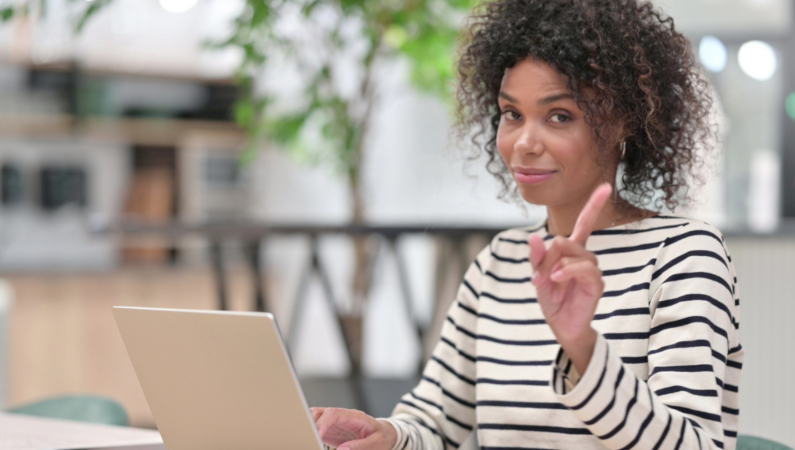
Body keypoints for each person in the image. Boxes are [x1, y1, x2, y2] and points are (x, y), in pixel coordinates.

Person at [311, 0, 743, 448]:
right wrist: (387, 434)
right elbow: (436, 426)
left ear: (623, 124)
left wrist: (583, 348)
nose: (524, 143)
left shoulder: (683, 256)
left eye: (560, 116)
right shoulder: (501, 261)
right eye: (512, 114)